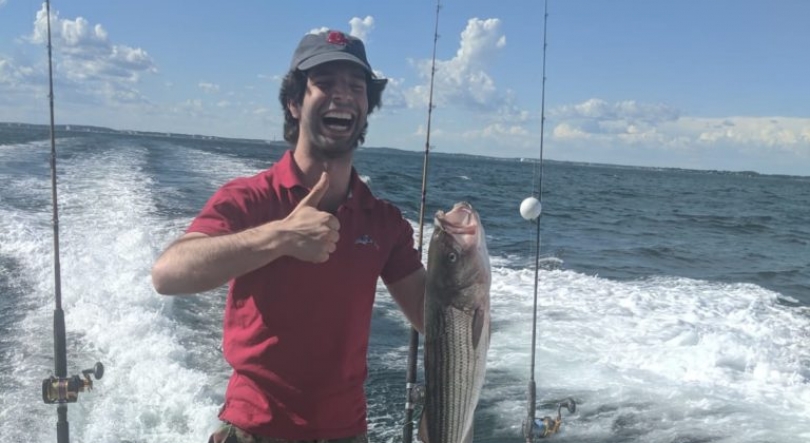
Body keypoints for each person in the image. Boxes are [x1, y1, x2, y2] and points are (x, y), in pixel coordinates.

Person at [151, 30, 426, 443]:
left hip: (346, 434)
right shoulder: (250, 199)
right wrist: (279, 236)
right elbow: (168, 274)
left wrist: (468, 272)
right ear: (294, 103)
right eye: (325, 83)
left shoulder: (383, 222)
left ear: (366, 108)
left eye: (356, 87)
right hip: (254, 430)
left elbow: (436, 318)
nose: (343, 95)